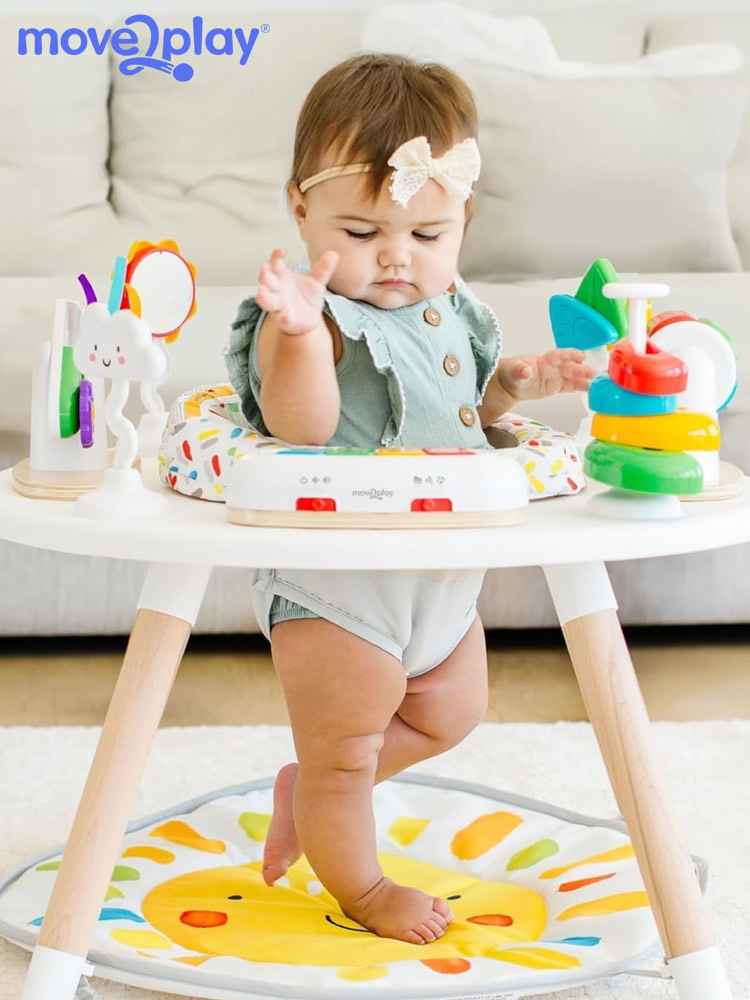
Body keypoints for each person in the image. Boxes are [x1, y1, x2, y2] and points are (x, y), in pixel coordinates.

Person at [225, 52, 593, 946]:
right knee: (347, 753)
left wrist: (514, 385)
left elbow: (459, 413)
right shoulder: (308, 318)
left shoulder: (451, 309)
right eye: (359, 231)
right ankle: (362, 885)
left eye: (428, 236)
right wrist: (303, 332)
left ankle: (305, 791)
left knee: (452, 709)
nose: (396, 257)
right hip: (341, 585)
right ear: (300, 207)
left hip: (439, 571)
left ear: (461, 219)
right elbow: (303, 425)